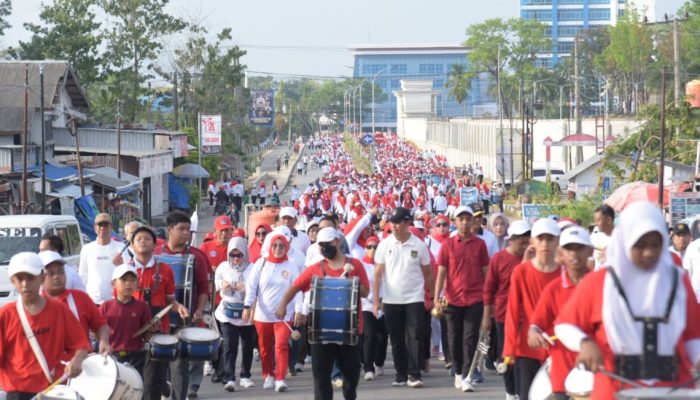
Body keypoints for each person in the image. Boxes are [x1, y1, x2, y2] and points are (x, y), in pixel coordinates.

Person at [555, 202, 700, 397]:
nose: (648, 252)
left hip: (672, 388)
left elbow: (692, 335)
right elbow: (565, 324)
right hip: (615, 387)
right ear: (625, 241)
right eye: (639, 245)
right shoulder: (600, 281)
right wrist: (585, 343)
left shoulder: (678, 280)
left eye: (655, 245)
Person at [276, 227, 370, 400]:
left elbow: (365, 292)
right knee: (320, 377)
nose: (324, 248)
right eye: (321, 245)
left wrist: (353, 281)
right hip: (320, 332)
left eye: (327, 244)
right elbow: (295, 287)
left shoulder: (355, 265)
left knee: (351, 376)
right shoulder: (314, 269)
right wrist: (282, 304)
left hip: (349, 330)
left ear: (338, 242)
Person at [0, 253, 90, 400]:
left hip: (53, 389)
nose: (25, 284)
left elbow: (81, 345)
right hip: (17, 393)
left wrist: (76, 361)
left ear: (42, 277)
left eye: (30, 278)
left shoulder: (59, 310)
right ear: (12, 281)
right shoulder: (5, 315)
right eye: (20, 279)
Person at [528, 226, 592, 400]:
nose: (574, 254)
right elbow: (537, 322)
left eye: (579, 248)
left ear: (590, 251)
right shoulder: (553, 289)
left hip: (596, 368)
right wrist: (533, 332)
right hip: (562, 368)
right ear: (561, 253)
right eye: (569, 249)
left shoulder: (602, 285)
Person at [373, 207, 433, 388]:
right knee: (397, 338)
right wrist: (377, 301)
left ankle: (414, 375)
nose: (394, 226)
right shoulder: (384, 244)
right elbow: (377, 275)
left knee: (414, 336)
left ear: (408, 223)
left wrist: (434, 296)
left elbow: (428, 274)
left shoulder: (419, 245)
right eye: (392, 222)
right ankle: (400, 374)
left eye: (398, 222)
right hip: (391, 299)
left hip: (414, 298)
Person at [433, 206, 490, 392]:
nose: (465, 223)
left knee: (470, 338)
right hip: (452, 299)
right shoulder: (447, 245)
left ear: (474, 221)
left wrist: (488, 296)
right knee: (454, 338)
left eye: (468, 219)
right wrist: (436, 298)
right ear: (455, 222)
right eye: (461, 219)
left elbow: (485, 272)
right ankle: (458, 372)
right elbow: (441, 272)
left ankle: (467, 375)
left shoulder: (480, 244)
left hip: (475, 298)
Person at [503, 218, 561, 400]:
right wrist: (509, 348)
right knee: (527, 395)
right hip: (526, 346)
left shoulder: (565, 272)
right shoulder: (521, 272)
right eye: (540, 238)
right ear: (533, 241)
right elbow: (512, 312)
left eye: (550, 239)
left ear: (557, 241)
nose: (545, 244)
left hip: (558, 346)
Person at [155, 211, 211, 400]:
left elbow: (204, 288)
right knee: (159, 364)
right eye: (181, 229)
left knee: (179, 364)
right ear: (170, 230)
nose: (186, 233)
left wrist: (199, 310)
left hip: (185, 320)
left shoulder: (197, 256)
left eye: (188, 229)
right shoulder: (156, 256)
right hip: (159, 320)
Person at [130, 226, 189, 400]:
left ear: (154, 245)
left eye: (147, 238)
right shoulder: (126, 271)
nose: (143, 241)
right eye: (138, 238)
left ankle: (160, 386)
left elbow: (170, 301)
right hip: (132, 334)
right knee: (133, 381)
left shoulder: (165, 270)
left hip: (157, 332)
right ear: (132, 245)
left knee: (152, 383)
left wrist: (179, 308)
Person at [242, 233, 302, 392]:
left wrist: (298, 309)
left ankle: (280, 378)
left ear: (286, 247)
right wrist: (247, 305)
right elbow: (252, 286)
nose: (277, 249)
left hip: (284, 315)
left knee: (281, 345)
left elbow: (298, 290)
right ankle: (268, 375)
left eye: (281, 245)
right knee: (265, 348)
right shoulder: (260, 264)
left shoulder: (291, 265)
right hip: (263, 315)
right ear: (269, 246)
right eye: (274, 245)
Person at [482, 220, 531, 400]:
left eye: (528, 241)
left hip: (528, 317)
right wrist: (487, 316)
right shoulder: (499, 259)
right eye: (522, 242)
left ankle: (522, 391)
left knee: (525, 359)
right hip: (504, 316)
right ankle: (510, 393)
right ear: (512, 240)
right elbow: (489, 289)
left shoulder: (532, 260)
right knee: (508, 356)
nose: (525, 245)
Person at [39, 250, 110, 354]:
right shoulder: (36, 306)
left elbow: (100, 325)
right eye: (51, 273)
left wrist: (104, 341)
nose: (57, 277)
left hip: (84, 363)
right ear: (40, 277)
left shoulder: (81, 298)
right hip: (51, 366)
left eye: (61, 272)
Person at [215, 236, 257, 392]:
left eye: (239, 255)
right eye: (233, 255)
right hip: (227, 312)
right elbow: (216, 281)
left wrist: (244, 287)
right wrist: (222, 284)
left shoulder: (253, 268)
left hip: (247, 312)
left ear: (245, 254)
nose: (236, 258)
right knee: (229, 345)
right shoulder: (223, 267)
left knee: (247, 345)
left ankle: (245, 375)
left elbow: (257, 287)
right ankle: (230, 377)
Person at [100, 264, 152, 375]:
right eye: (123, 280)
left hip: (136, 356)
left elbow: (147, 334)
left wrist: (152, 331)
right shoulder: (105, 306)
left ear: (137, 284)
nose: (128, 283)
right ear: (113, 284)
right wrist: (104, 343)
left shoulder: (142, 306)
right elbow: (96, 330)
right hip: (113, 356)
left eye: (133, 280)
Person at [359, 236, 388, 380]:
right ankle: (368, 368)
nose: (372, 249)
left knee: (382, 336)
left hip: (383, 305)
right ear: (365, 249)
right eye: (369, 246)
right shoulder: (361, 265)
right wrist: (371, 299)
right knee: (369, 335)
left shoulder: (384, 264)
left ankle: (379, 363)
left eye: (375, 246)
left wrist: (383, 301)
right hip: (367, 305)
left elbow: (388, 284)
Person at [79, 213, 124, 304]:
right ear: (95, 227)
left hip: (115, 301)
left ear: (111, 227)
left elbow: (128, 274)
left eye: (106, 225)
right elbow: (83, 275)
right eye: (100, 225)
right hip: (92, 301)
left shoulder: (121, 248)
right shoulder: (87, 249)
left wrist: (121, 265)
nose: (103, 228)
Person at [591, 204, 615, 270]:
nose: (596, 223)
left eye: (598, 220)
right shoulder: (595, 236)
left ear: (609, 220)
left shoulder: (621, 238)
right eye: (595, 220)